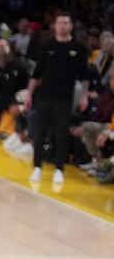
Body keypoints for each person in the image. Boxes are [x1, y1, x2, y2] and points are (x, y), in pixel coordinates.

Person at [26, 11, 92, 188]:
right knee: (39, 133)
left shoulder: (78, 48)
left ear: (71, 26)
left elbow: (85, 76)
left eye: (66, 23)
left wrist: (84, 95)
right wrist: (29, 93)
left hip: (64, 98)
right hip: (44, 97)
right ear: (55, 26)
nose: (62, 26)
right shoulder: (47, 47)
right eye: (60, 23)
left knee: (60, 134)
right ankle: (37, 167)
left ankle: (59, 169)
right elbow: (36, 73)